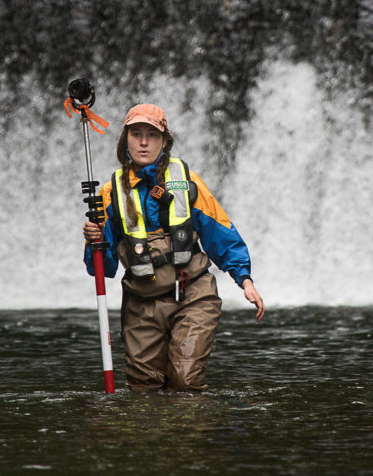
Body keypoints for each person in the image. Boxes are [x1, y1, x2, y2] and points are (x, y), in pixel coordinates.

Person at [83, 103, 265, 392]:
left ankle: (188, 434)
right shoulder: (109, 192)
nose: (143, 142)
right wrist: (94, 242)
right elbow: (101, 269)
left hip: (192, 293)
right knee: (144, 390)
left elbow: (220, 232)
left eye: (152, 135)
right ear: (125, 139)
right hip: (141, 302)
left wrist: (244, 278)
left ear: (165, 141)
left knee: (185, 381)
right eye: (136, 134)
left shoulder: (187, 181)